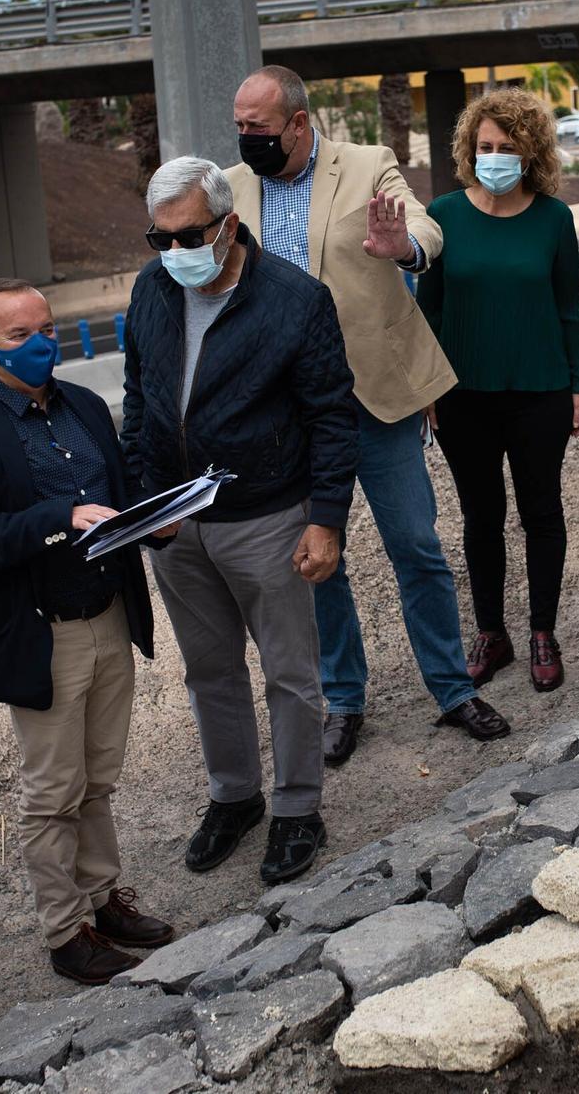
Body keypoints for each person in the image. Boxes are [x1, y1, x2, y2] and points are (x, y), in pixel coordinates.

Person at [225, 64, 510, 766]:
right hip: (287, 413)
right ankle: (343, 700)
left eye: (256, 127)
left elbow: (421, 227)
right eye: (239, 127)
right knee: (318, 562)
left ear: (298, 123)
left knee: (416, 545)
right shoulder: (231, 187)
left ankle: (450, 688)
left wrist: (403, 248)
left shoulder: (367, 164)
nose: (245, 139)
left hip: (374, 395)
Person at [0, 279, 176, 986]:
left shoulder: (87, 407)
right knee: (51, 791)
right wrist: (58, 518)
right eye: (19, 335)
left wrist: (154, 520)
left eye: (47, 328)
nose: (41, 344)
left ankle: (102, 899)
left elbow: (117, 498)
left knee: (98, 777)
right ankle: (66, 932)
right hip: (45, 635)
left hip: (109, 616)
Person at [120, 156, 359, 886]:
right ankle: (235, 795)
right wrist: (144, 496)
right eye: (159, 239)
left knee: (290, 671)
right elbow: (138, 395)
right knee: (209, 670)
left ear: (227, 224)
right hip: (175, 521)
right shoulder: (152, 288)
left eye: (188, 236)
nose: (173, 254)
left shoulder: (294, 300)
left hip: (266, 515)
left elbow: (332, 417)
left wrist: (326, 519)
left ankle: (297, 808)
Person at [418, 88, 579, 694]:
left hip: (540, 389)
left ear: (531, 154)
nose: (494, 157)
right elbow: (429, 310)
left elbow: (570, 307)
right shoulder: (442, 214)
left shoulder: (555, 219)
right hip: (463, 396)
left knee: (542, 512)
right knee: (480, 517)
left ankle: (543, 630)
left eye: (507, 148)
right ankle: (493, 633)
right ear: (470, 148)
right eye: (485, 146)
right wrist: (428, 387)